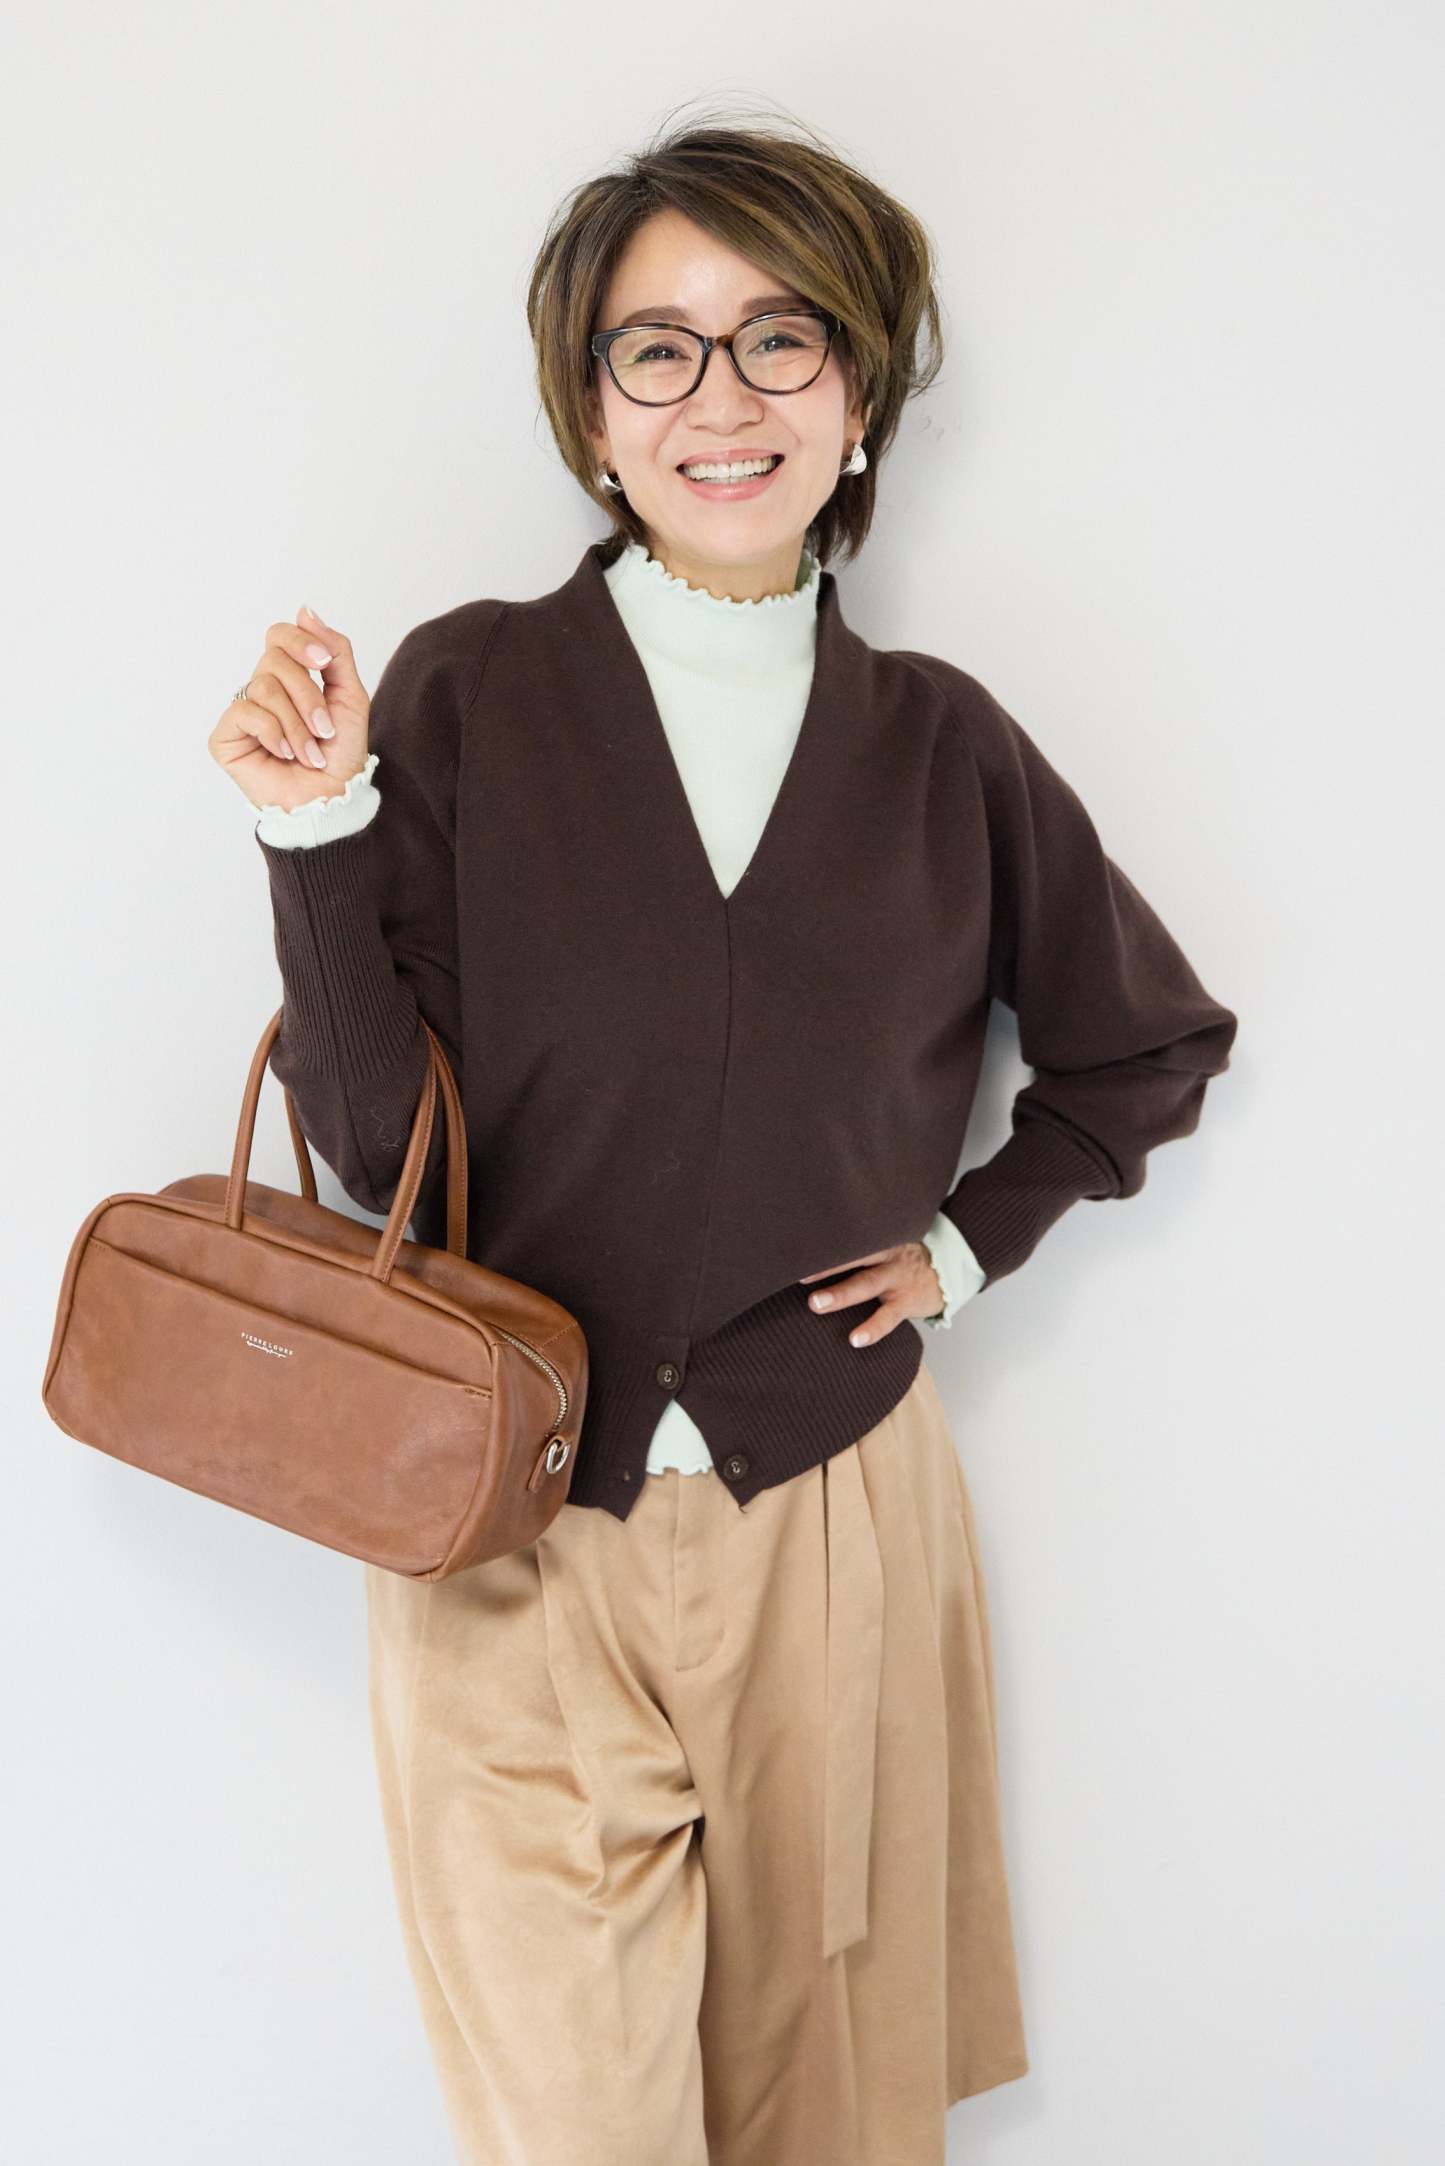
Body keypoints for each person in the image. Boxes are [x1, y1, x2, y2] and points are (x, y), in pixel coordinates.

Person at [208, 109, 1238, 2166]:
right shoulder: (473, 692)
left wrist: (963, 1247)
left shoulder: (940, 747)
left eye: (781, 339)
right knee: (577, 2129)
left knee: (827, 2129)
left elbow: (1145, 1043)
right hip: (507, 1520)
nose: (722, 397)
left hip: (832, 1518)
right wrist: (315, 833)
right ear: (593, 416)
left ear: (856, 398)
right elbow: (375, 1154)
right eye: (656, 349)